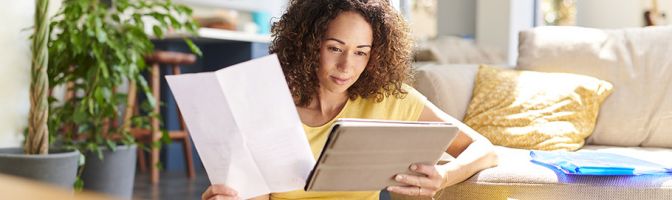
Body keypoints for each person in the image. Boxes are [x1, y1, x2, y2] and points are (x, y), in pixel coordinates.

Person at [202, 0, 498, 199]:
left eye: (361, 52)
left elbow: (484, 149)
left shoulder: (390, 99)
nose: (347, 66)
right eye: (334, 48)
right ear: (308, 45)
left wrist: (444, 176)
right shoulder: (268, 104)